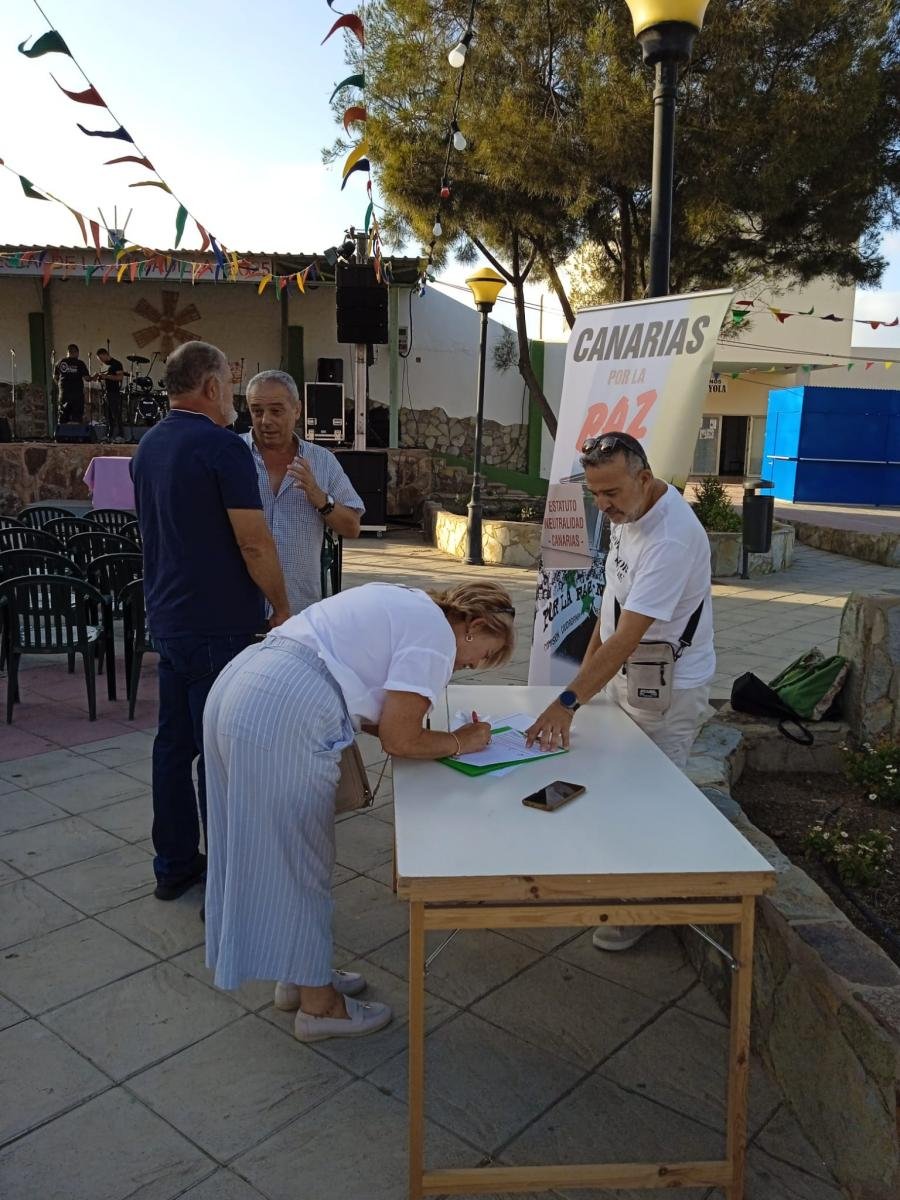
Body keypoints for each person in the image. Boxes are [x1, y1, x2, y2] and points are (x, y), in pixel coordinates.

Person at [203, 580, 516, 1041]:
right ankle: (320, 1009)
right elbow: (400, 739)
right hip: (284, 708)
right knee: (300, 860)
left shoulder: (409, 603)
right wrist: (459, 742)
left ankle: (300, 975)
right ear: (475, 626)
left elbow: (381, 717)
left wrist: (430, 737)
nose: (470, 666)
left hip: (245, 683)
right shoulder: (437, 637)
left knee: (272, 852)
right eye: (482, 656)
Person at [526, 431, 714, 952]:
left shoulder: (670, 538)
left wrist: (567, 702)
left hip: (667, 691)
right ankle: (612, 879)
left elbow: (628, 637)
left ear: (644, 478)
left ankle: (640, 910)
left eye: (611, 492)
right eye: (595, 494)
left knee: (649, 801)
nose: (603, 505)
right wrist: (583, 688)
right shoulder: (627, 513)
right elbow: (609, 610)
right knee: (607, 783)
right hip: (624, 677)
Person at [131, 340, 291, 903]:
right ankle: (225, 883)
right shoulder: (222, 448)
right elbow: (253, 541)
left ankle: (174, 865)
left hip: (168, 619)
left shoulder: (149, 445)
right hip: (217, 626)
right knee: (220, 756)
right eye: (231, 384)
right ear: (211, 386)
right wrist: (281, 606)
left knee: (173, 749)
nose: (234, 399)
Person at [241, 370, 364, 613]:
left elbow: (352, 527)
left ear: (297, 410)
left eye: (276, 411)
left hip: (299, 610)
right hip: (238, 609)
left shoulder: (322, 461)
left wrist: (320, 498)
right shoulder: (231, 455)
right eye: (257, 411)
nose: (265, 420)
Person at [92, 347, 125, 442]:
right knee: (108, 415)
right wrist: (99, 377)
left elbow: (120, 377)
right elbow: (104, 377)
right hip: (106, 392)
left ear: (105, 354)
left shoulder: (116, 364)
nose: (101, 360)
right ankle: (109, 435)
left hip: (114, 392)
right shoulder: (104, 365)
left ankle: (121, 435)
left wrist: (106, 376)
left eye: (101, 358)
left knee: (116, 414)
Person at [54, 343, 89, 424]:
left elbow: (55, 377)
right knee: (76, 417)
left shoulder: (60, 362)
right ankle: (75, 431)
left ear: (68, 352)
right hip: (77, 395)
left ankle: (63, 431)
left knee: (63, 416)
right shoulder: (80, 363)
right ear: (77, 352)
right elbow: (86, 378)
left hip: (64, 394)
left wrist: (60, 386)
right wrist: (94, 377)